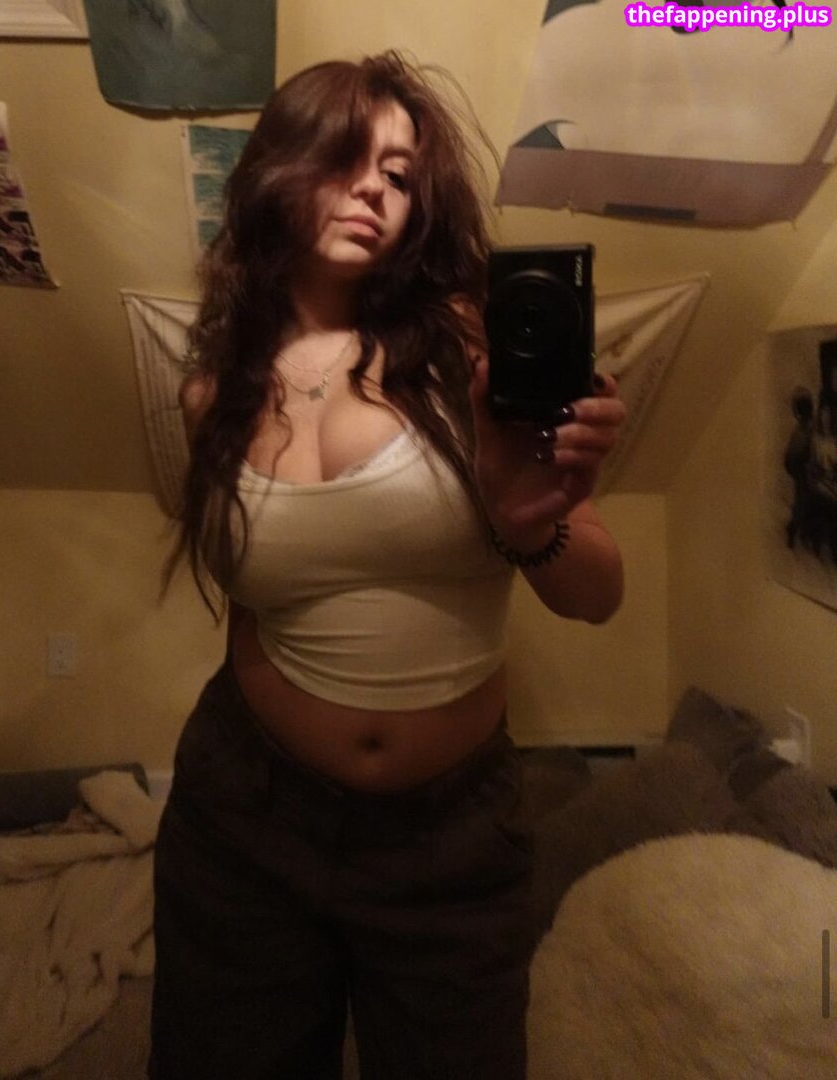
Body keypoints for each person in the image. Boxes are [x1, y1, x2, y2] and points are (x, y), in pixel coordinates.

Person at [151, 51, 626, 1080]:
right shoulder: (210, 396)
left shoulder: (471, 345)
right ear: (275, 168)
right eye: (345, 157)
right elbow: (261, 608)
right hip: (243, 815)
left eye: (400, 174)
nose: (374, 187)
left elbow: (598, 595)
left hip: (447, 839)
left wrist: (529, 521)